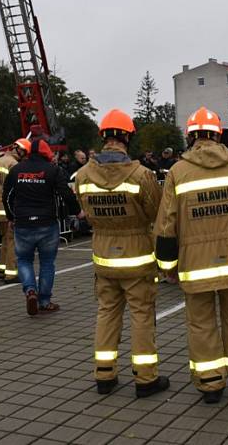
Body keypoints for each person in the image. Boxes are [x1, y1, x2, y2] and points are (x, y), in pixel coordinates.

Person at [155, 106, 228, 404]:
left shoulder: (178, 172)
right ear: (219, 134)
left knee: (201, 324)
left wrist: (167, 266)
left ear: (190, 136)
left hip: (195, 266)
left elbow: (166, 223)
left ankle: (211, 383)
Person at [75, 109, 169, 398]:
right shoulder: (142, 175)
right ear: (127, 137)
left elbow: (87, 212)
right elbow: (157, 212)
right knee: (141, 316)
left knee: (106, 313)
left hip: (103, 256)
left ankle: (104, 375)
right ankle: (145, 378)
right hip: (138, 256)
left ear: (104, 137)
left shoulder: (82, 175)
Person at [3, 138, 81, 315]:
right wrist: (77, 212)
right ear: (47, 153)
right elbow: (66, 194)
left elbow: (6, 196)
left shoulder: (16, 170)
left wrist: (11, 217)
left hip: (22, 223)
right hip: (47, 223)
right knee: (47, 263)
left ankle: (30, 290)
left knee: (24, 260)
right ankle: (44, 301)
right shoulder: (53, 170)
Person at [0, 139, 29, 282]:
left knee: (5, 239)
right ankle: (11, 273)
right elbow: (17, 188)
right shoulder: (13, 164)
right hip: (8, 209)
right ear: (20, 150)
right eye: (25, 153)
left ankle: (2, 268)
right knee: (12, 240)